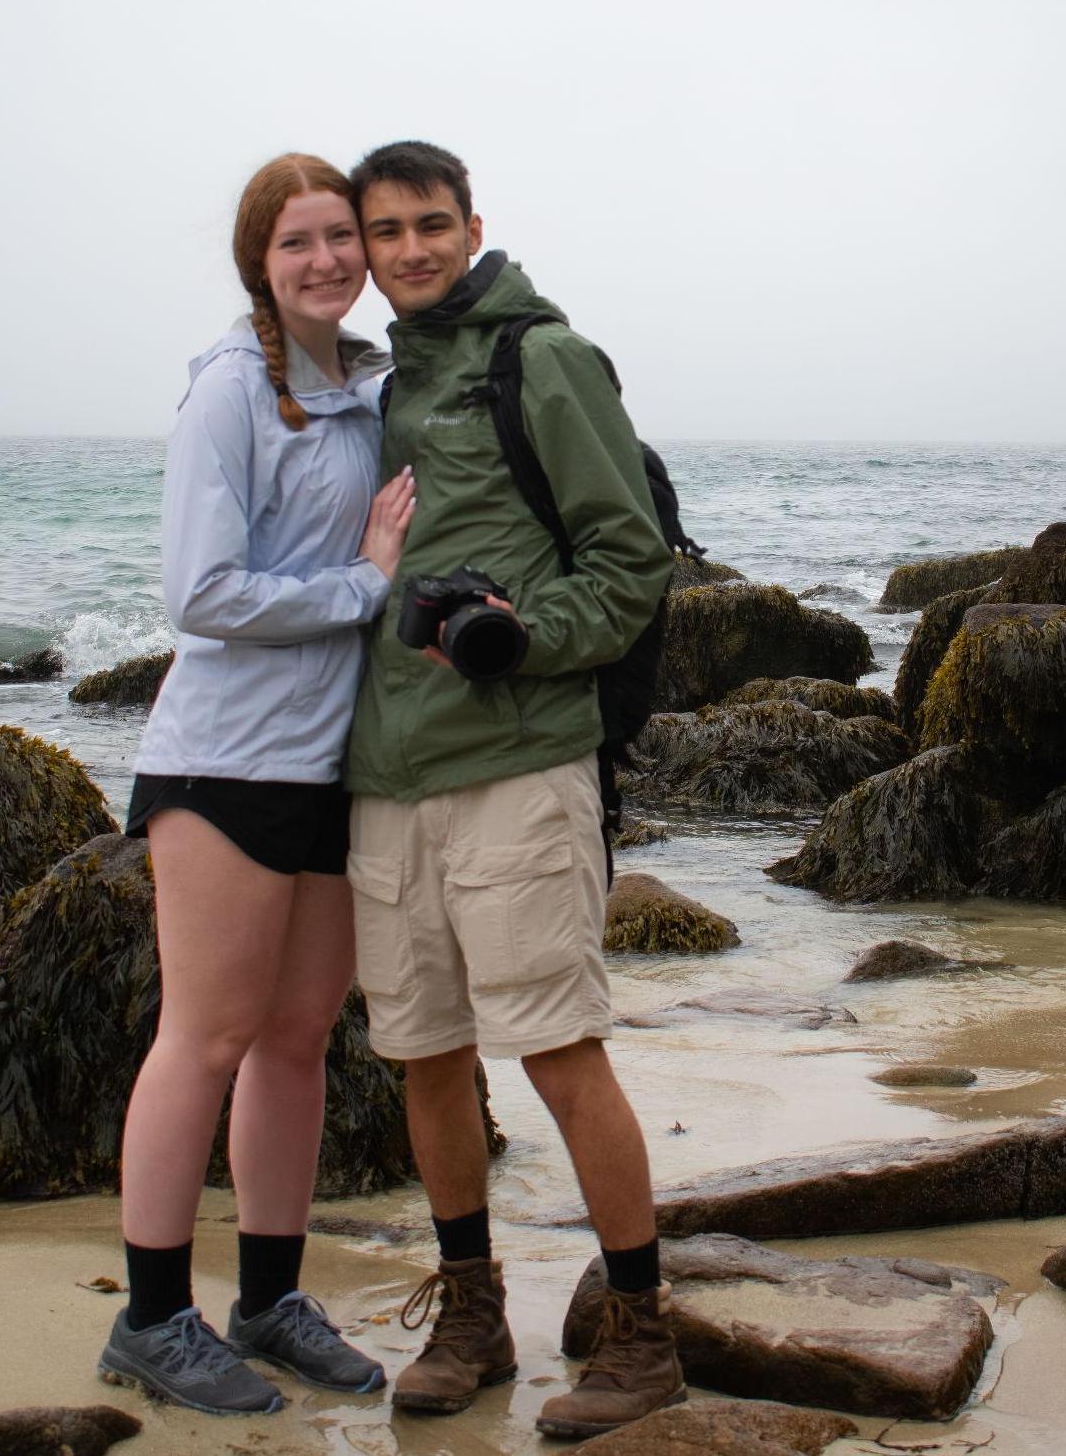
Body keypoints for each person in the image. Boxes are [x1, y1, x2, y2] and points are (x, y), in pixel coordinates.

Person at [343, 141, 682, 1439]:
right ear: (366, 247)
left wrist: (521, 635)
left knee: (556, 1044)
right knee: (424, 1054)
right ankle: (472, 1317)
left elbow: (629, 556)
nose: (413, 246)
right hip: (388, 775)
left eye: (432, 223)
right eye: (389, 229)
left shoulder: (543, 356)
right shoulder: (383, 385)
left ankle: (642, 1336)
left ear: (471, 225)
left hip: (521, 765)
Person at [97, 153, 415, 1416]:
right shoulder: (228, 393)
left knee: (295, 1042)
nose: (328, 260)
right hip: (222, 762)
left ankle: (269, 1300)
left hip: (333, 765)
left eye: (341, 236)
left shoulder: (371, 385)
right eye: (299, 243)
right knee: (205, 1037)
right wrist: (361, 586)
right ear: (258, 263)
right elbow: (199, 592)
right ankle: (151, 1318)